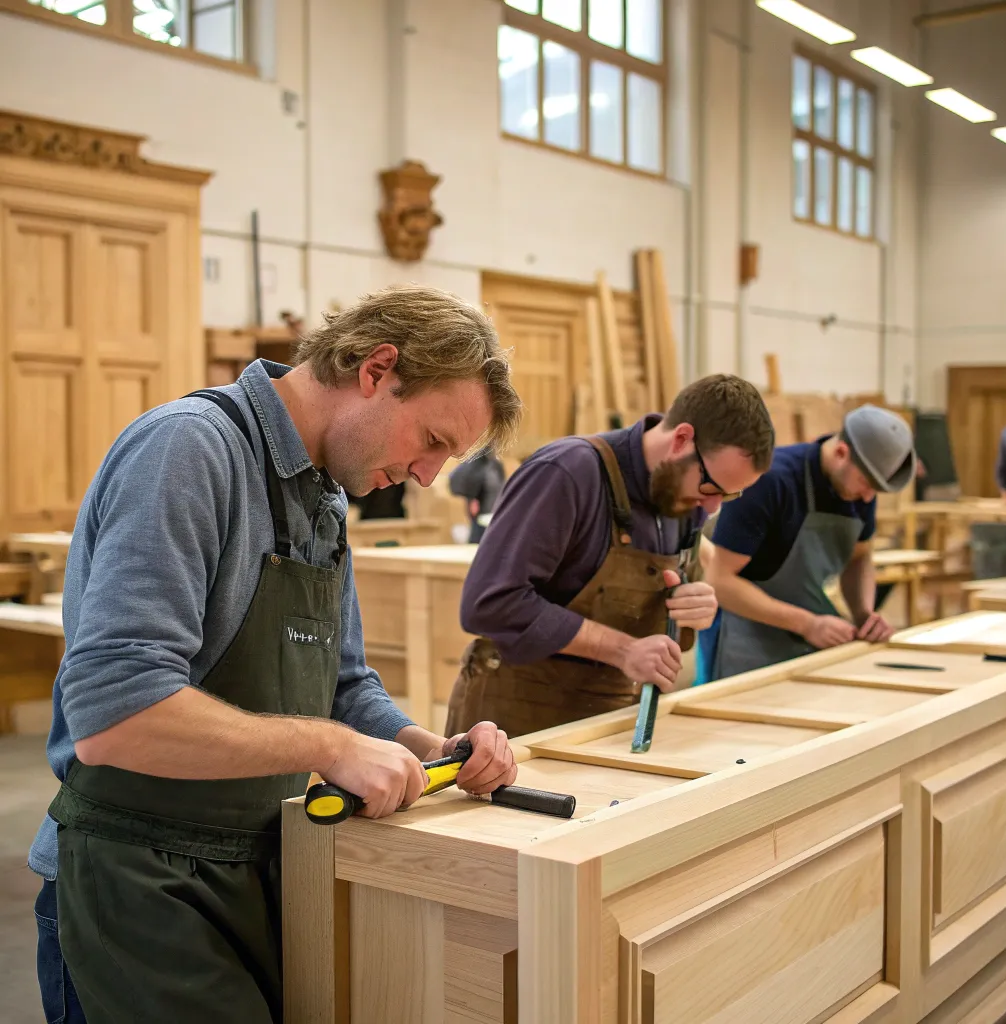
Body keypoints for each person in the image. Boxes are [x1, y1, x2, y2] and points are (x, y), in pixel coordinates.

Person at [30, 285, 523, 1024]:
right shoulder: (189, 450)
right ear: (376, 369)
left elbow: (343, 686)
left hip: (258, 869)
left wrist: (430, 749)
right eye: (432, 441)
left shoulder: (321, 497)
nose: (427, 477)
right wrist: (329, 746)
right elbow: (115, 710)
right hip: (135, 882)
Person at [445, 374, 776, 738]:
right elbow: (490, 603)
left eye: (727, 496)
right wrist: (623, 650)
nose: (712, 506)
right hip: (513, 727)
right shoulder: (568, 473)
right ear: (681, 440)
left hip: (607, 720)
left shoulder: (684, 500)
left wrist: (693, 606)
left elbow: (665, 612)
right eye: (711, 487)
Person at [699, 404, 916, 682]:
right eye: (866, 483)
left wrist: (864, 613)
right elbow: (720, 582)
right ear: (841, 453)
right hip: (746, 642)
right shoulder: (770, 482)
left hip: (811, 639)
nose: (867, 498)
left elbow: (859, 557)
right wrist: (807, 623)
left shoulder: (860, 490)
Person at [448, 445, 507, 542]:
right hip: (480, 508)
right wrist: (472, 499)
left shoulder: (496, 465)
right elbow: (472, 482)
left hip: (493, 506)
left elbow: (502, 483)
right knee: (477, 538)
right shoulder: (476, 463)